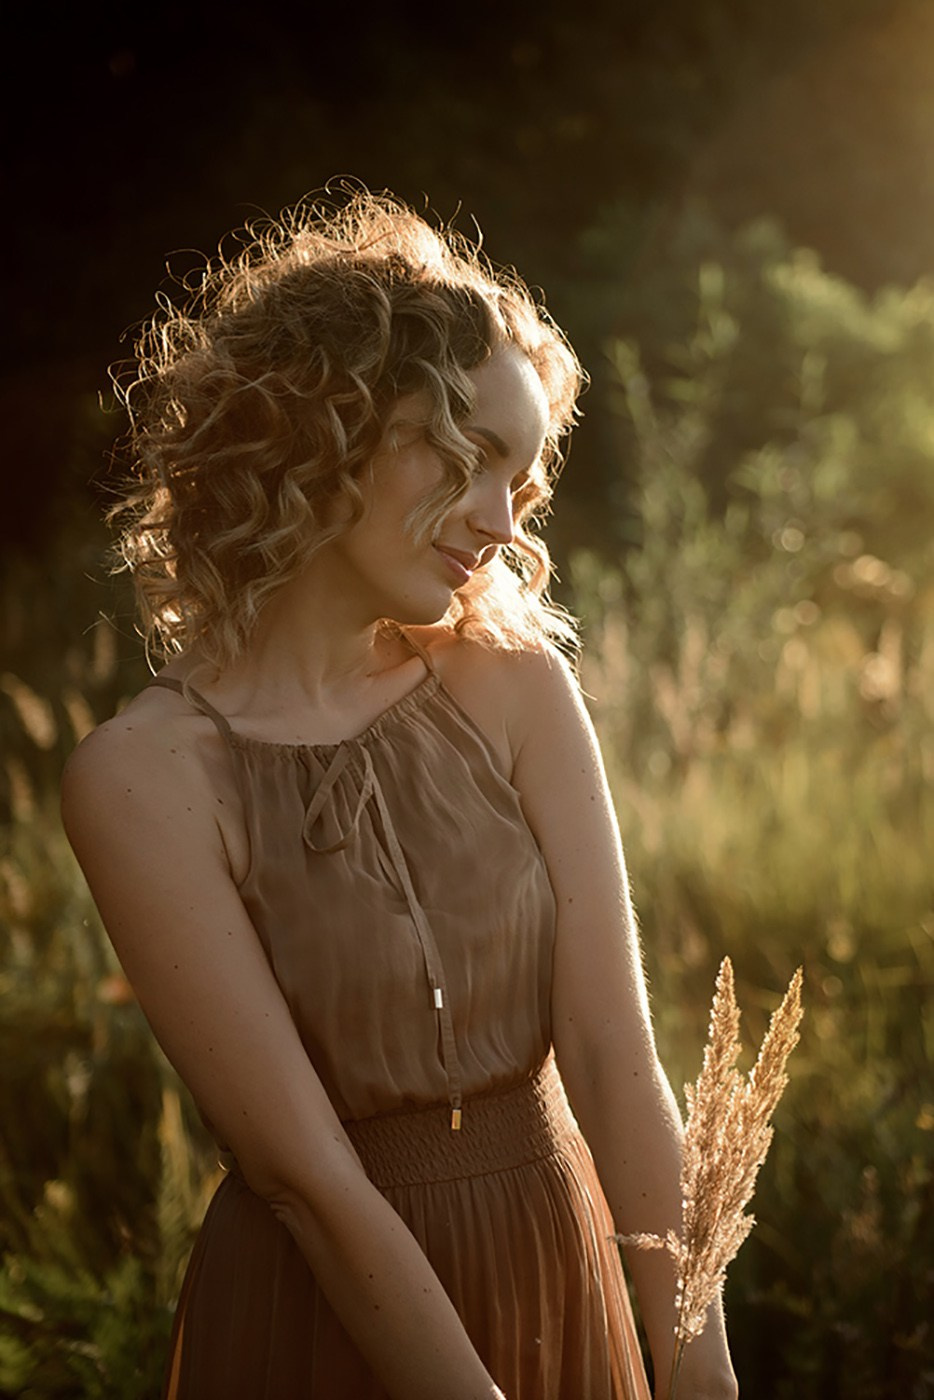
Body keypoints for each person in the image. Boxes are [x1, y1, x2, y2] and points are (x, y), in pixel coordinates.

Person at [61, 190, 738, 1400]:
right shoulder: (143, 774)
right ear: (333, 426)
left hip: (552, 1262)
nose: (500, 521)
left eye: (520, 484)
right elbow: (304, 1177)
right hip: (322, 1316)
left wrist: (696, 1362)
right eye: (471, 460)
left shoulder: (515, 689)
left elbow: (611, 1056)